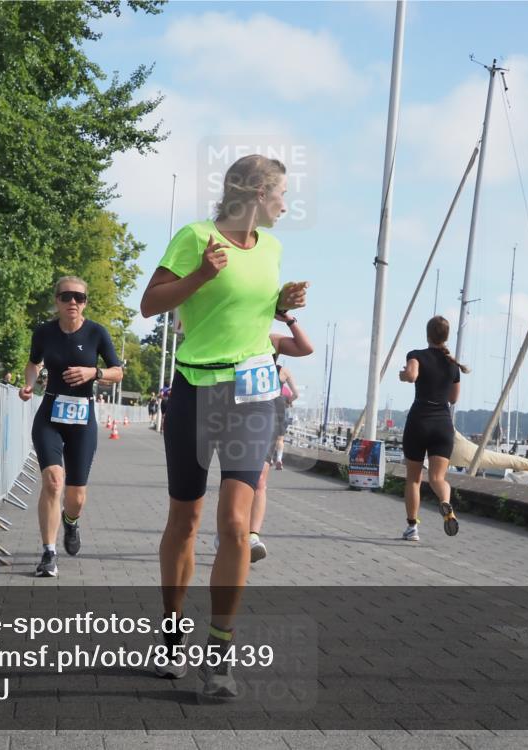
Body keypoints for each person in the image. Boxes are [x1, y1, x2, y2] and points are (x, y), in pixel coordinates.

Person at [140, 154, 308, 697]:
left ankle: (219, 654)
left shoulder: (275, 248)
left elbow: (250, 311)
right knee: (186, 519)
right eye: (282, 192)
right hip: (195, 390)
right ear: (258, 192)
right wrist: (201, 275)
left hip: (253, 394)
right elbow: (149, 304)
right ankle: (171, 633)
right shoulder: (195, 237)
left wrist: (280, 306)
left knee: (236, 523)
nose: (287, 202)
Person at [19, 276, 123, 577]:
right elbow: (33, 363)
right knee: (53, 481)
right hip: (50, 415)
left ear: (85, 302)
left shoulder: (96, 333)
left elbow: (118, 372)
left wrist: (95, 372)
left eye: (79, 297)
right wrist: (28, 385)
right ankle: (49, 553)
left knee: (76, 498)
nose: (73, 302)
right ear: (57, 301)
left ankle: (71, 522)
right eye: (66, 297)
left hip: (82, 420)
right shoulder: (44, 332)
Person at [219, 315, 313, 563]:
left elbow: (306, 347)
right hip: (234, 412)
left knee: (259, 480)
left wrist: (290, 319)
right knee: (232, 478)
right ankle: (227, 528)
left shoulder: (273, 339)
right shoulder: (235, 331)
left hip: (265, 416)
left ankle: (252, 535)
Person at [397, 315, 469, 542]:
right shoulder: (452, 365)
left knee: (414, 479)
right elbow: (453, 398)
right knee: (438, 478)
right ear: (446, 336)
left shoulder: (416, 355)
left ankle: (412, 528)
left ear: (428, 334)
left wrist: (403, 375)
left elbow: (412, 374)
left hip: (419, 421)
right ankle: (446, 504)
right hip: (442, 425)